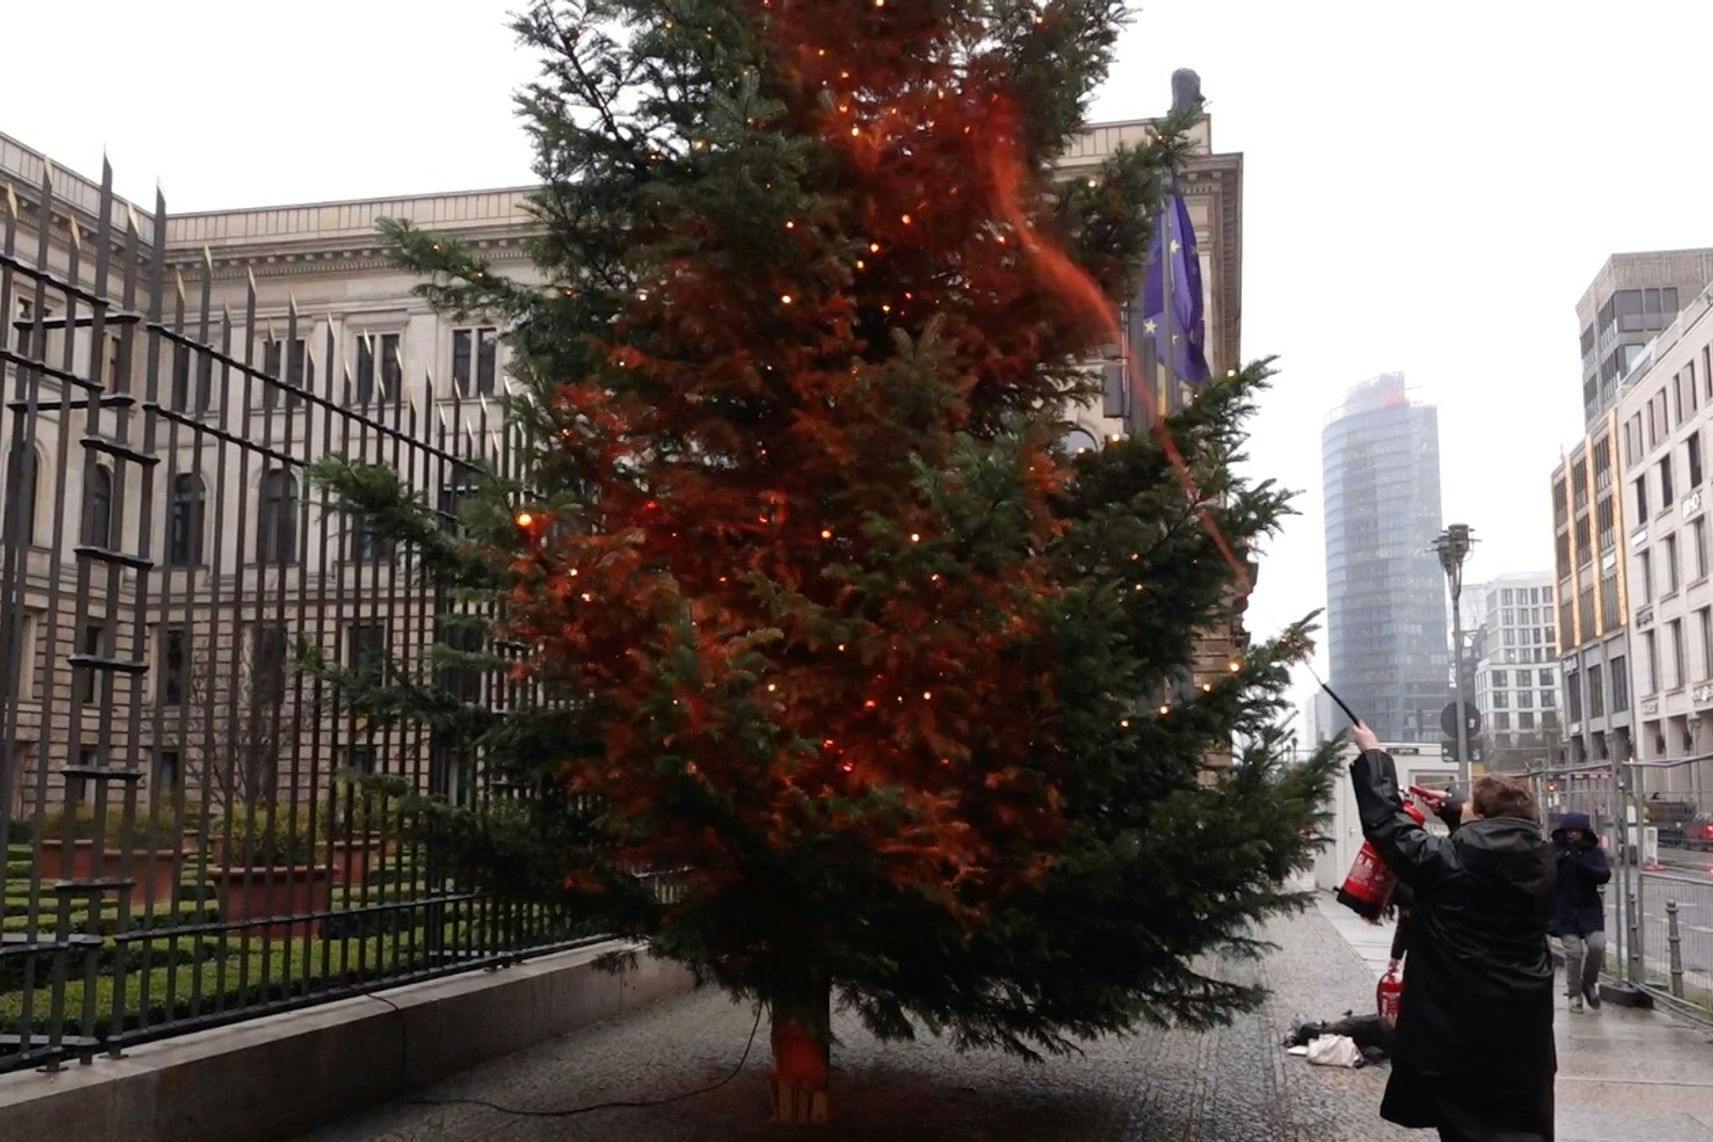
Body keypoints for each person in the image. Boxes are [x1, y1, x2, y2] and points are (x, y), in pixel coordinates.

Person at [1350, 722, 1557, 1142]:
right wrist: (1453, 808)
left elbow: (1389, 827)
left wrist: (1373, 755)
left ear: (1478, 817)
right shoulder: (1542, 860)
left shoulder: (1448, 861)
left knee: (1466, 1128)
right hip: (1524, 1033)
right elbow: (1489, 840)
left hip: (1459, 1032)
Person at [1549, 812, 1610, 1013]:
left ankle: (1589, 983)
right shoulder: (1555, 850)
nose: (1572, 835)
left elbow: (1603, 875)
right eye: (1569, 831)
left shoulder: (1593, 852)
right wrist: (1562, 860)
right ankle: (1574, 993)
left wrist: (1582, 865)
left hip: (1589, 909)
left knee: (1597, 945)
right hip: (1565, 910)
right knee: (1573, 952)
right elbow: (1546, 873)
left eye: (1576, 831)